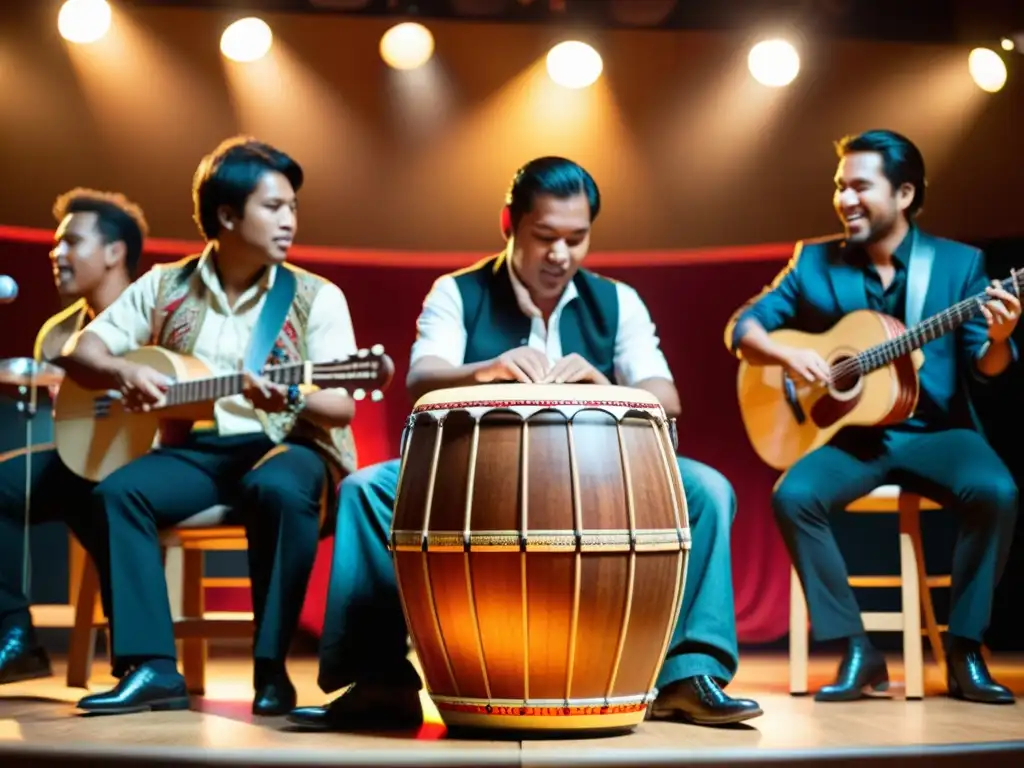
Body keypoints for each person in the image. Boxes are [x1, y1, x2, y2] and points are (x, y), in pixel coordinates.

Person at [288, 156, 763, 732]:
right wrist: (487, 367)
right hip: (473, 475)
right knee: (366, 491)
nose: (561, 255)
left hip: (600, 481)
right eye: (544, 237)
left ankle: (687, 677)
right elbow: (420, 379)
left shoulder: (618, 301)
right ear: (509, 224)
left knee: (709, 489)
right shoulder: (458, 292)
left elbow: (667, 397)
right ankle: (380, 682)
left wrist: (604, 384)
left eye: (577, 238)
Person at [58, 137, 360, 716]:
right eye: (274, 207)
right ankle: (151, 668)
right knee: (119, 492)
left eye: (293, 206)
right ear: (226, 215)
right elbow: (80, 350)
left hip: (288, 446)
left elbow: (342, 405)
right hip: (199, 450)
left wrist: (290, 393)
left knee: (277, 487)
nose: (289, 219)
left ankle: (271, 670)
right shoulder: (163, 286)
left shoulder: (317, 296)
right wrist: (122, 370)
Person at [726, 129, 1018, 704]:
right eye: (840, 186)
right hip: (854, 439)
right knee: (793, 496)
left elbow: (985, 368)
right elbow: (744, 329)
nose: (845, 199)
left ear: (904, 194)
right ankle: (857, 651)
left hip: (938, 432)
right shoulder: (813, 262)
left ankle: (964, 651)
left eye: (861, 186)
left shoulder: (960, 266)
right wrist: (787, 354)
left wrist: (1002, 338)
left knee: (997, 492)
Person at [0, 188, 147, 686]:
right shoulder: (57, 335)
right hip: (79, 462)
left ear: (114, 252)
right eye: (55, 244)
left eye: (71, 242)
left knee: (111, 497)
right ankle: (16, 635)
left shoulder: (158, 318)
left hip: (145, 466)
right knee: (6, 483)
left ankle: (138, 659)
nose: (55, 254)